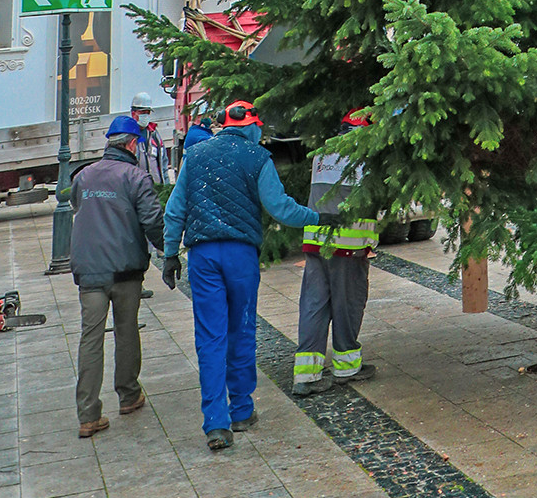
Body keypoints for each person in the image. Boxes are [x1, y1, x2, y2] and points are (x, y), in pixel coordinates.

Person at [163, 99, 319, 450]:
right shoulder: (257, 157)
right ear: (250, 126)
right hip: (240, 255)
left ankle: (216, 424)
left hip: (203, 256)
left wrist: (171, 254)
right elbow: (280, 208)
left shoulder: (195, 155)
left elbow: (175, 209)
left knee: (210, 337)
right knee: (242, 329)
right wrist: (317, 218)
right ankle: (242, 410)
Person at [70, 115, 166, 439]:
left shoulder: (83, 176)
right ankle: (128, 395)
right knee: (126, 331)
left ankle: (88, 415)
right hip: (125, 270)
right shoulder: (136, 177)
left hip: (89, 271)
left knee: (90, 338)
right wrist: (167, 250)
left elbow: (74, 204)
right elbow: (152, 220)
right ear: (133, 144)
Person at [294, 110, 380, 396]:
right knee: (348, 304)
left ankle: (306, 375)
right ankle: (347, 367)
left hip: (315, 241)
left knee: (314, 305)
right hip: (347, 245)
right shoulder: (365, 156)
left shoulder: (322, 154)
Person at [131, 91, 172, 185]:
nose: (145, 116)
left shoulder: (154, 134)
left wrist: (166, 185)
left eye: (148, 112)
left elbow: (163, 164)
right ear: (134, 114)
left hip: (156, 188)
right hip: (138, 189)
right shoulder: (128, 136)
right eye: (142, 112)